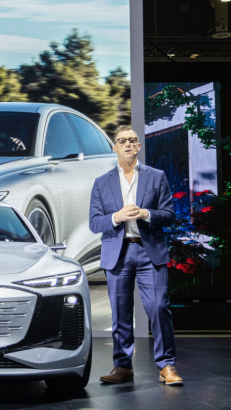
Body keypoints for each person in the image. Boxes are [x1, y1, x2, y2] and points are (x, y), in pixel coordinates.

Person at [89, 125, 182, 386]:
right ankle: (122, 366)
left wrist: (146, 214)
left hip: (148, 250)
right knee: (120, 313)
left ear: (139, 146)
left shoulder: (156, 176)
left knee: (159, 308)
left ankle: (166, 366)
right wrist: (117, 217)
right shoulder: (101, 182)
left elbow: (169, 215)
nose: (127, 144)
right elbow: (94, 222)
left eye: (132, 140)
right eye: (122, 141)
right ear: (115, 147)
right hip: (117, 253)